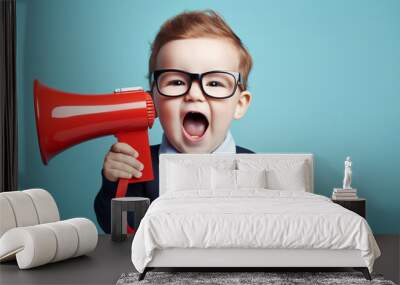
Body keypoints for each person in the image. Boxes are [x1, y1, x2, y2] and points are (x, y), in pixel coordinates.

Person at [94, 10, 254, 233]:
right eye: (177, 82)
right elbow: (117, 231)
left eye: (215, 83)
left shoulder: (254, 167)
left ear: (239, 104)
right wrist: (113, 184)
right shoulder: (138, 168)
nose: (195, 94)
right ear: (153, 102)